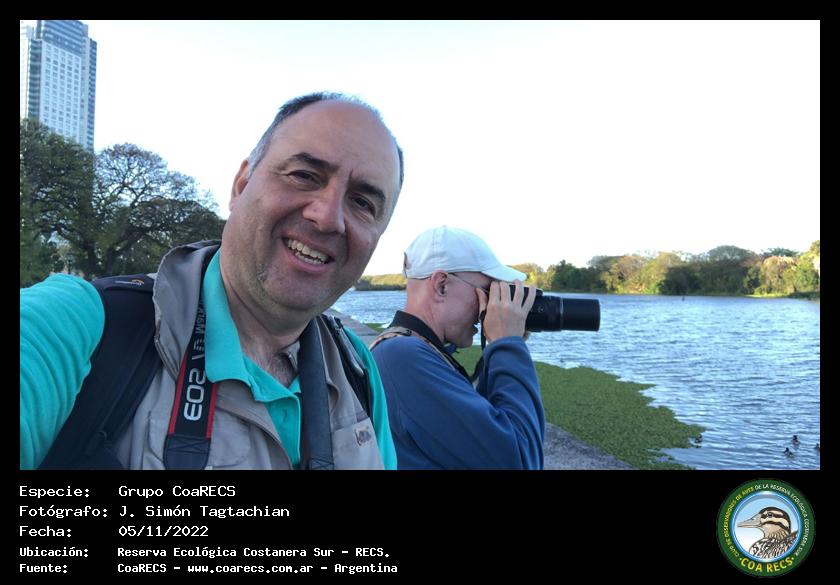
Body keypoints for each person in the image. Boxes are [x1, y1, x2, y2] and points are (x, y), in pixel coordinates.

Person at [20, 92, 404, 470]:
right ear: (241, 185)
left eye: (363, 202)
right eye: (304, 175)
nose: (328, 218)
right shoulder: (82, 325)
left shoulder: (356, 368)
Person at [370, 226, 545, 469]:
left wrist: (500, 345)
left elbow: (486, 427)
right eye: (487, 291)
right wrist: (507, 345)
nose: (490, 306)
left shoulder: (410, 350)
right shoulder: (402, 357)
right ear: (441, 285)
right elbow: (521, 460)